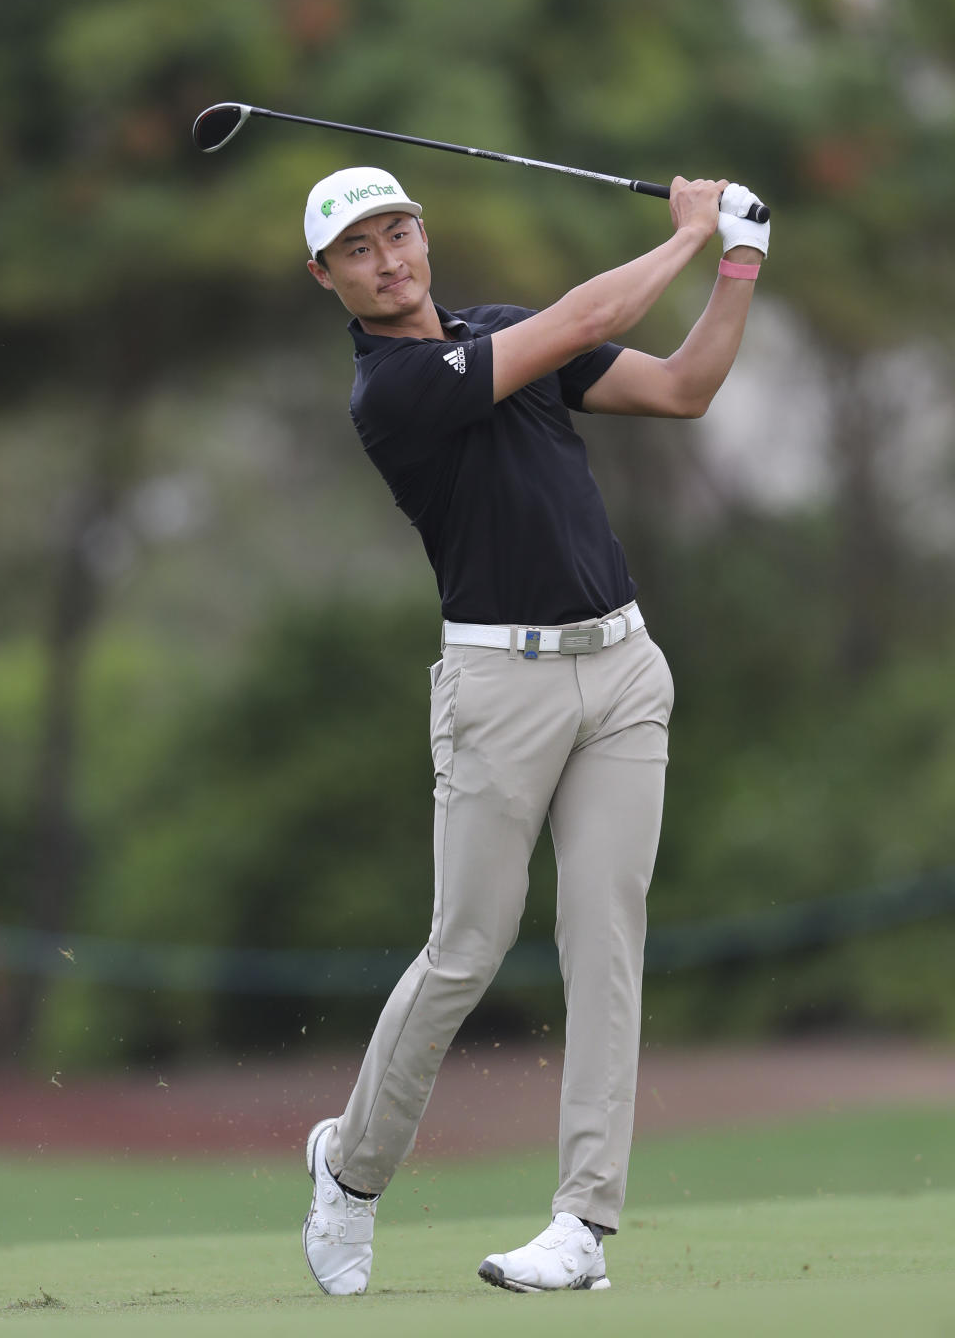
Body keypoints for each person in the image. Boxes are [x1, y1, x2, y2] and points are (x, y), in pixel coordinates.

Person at [299, 163, 770, 1295]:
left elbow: (681, 388)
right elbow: (590, 316)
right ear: (326, 278)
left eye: (399, 231)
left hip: (620, 670)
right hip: (495, 690)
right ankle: (352, 1170)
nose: (389, 259)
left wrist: (741, 265)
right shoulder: (396, 389)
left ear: (424, 233)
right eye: (358, 250)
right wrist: (689, 237)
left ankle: (582, 1228)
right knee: (466, 950)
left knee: (605, 945)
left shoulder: (504, 331)